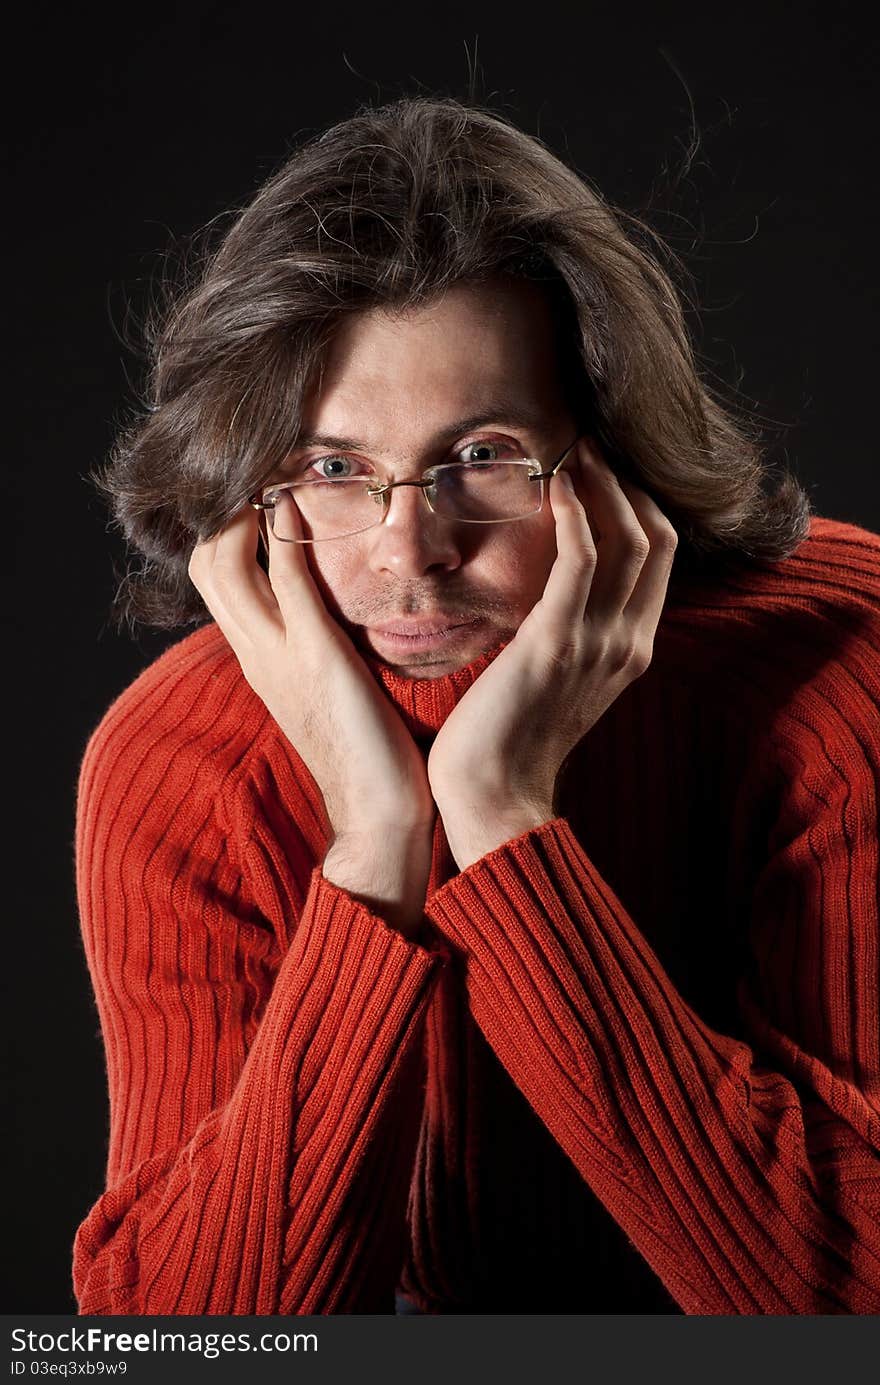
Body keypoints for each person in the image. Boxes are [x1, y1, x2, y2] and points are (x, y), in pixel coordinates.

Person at [72, 95, 880, 1316]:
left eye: (483, 456)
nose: (409, 551)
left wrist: (500, 815)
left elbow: (847, 1296)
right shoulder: (181, 757)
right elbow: (179, 1341)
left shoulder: (840, 674)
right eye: (334, 467)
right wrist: (373, 843)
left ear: (610, 463)